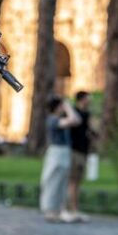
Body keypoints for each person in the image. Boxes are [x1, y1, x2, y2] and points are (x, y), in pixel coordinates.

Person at [39, 96, 81, 222]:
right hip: (56, 152)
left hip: (63, 151)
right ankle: (49, 210)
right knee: (53, 180)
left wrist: (67, 108)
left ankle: (58, 210)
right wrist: (68, 107)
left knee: (62, 181)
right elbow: (73, 119)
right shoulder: (53, 120)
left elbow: (77, 120)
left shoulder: (60, 119)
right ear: (58, 107)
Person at [64, 90, 97, 223]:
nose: (90, 100)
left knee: (78, 182)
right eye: (88, 98)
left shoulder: (86, 114)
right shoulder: (73, 112)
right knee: (72, 181)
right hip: (74, 150)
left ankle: (74, 208)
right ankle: (71, 208)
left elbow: (87, 129)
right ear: (82, 99)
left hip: (83, 151)